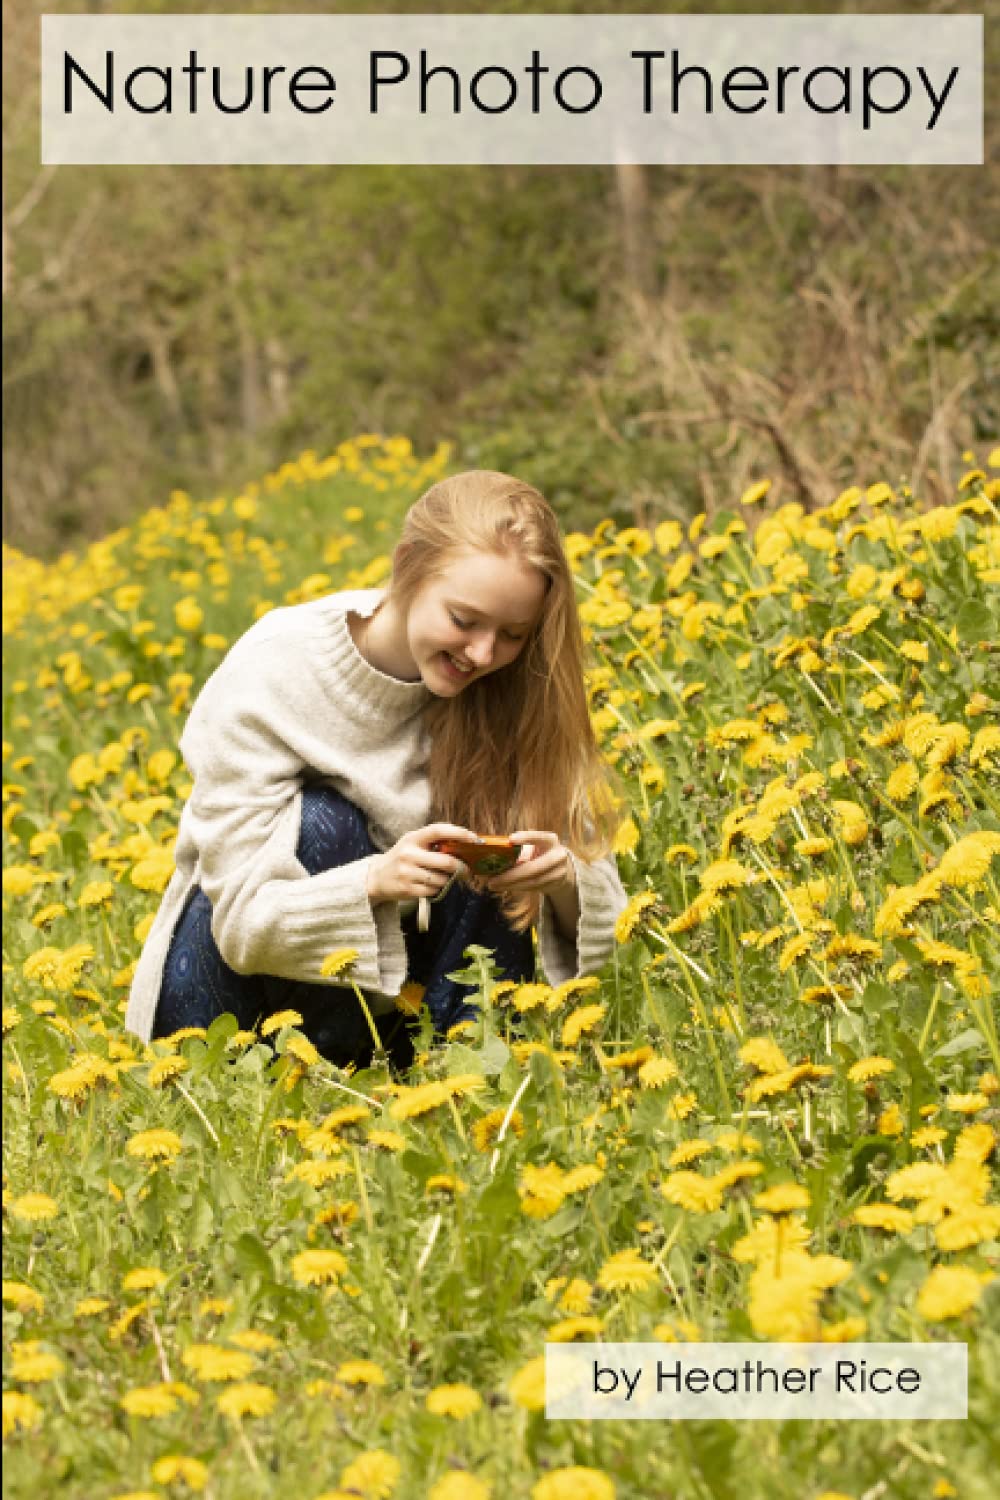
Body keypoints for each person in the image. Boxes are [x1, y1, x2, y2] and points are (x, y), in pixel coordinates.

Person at [125, 469, 628, 1071]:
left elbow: (618, 925)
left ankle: (469, 1078)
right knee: (324, 823)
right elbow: (239, 925)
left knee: (495, 851)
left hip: (392, 1021)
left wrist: (561, 878)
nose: (483, 654)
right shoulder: (274, 670)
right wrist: (374, 881)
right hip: (222, 1025)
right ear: (408, 564)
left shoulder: (516, 691)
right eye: (464, 621)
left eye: (512, 634)